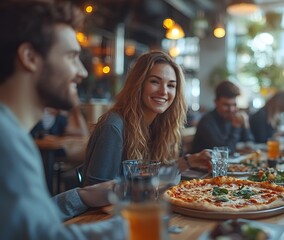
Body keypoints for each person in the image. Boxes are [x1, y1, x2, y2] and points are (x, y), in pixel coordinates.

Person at [0, 1, 126, 239]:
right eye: (72, 56)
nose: (83, 71)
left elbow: (32, 223)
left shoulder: (12, 134)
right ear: (29, 57)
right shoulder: (8, 143)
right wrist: (136, 227)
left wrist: (82, 196)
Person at [82, 51, 211, 187]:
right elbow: (94, 190)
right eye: (155, 81)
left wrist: (189, 161)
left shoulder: (161, 125)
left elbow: (153, 177)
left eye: (171, 85)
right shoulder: (113, 126)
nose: (164, 91)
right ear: (138, 84)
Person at [191, 80, 254, 154]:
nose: (231, 109)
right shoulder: (207, 122)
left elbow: (250, 143)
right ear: (216, 102)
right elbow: (223, 153)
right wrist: (236, 127)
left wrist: (245, 125)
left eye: (234, 105)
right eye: (226, 105)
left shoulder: (234, 117)